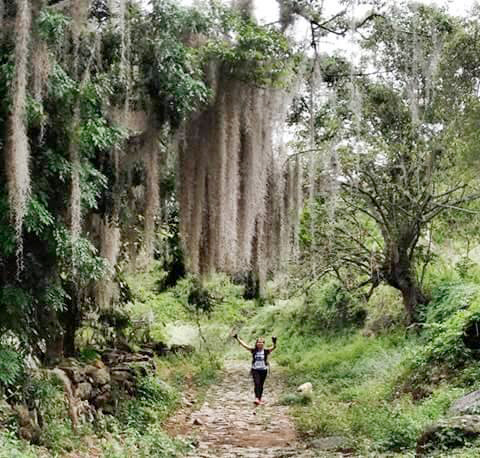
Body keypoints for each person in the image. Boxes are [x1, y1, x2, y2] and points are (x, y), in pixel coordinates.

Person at [233, 333, 277, 405]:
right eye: (258, 342)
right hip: (255, 369)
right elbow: (244, 345)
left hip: (263, 370)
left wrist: (274, 342)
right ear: (256, 343)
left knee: (261, 385)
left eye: (261, 342)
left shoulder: (266, 351)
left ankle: (259, 398)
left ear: (263, 344)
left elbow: (273, 347)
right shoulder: (253, 350)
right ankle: (256, 398)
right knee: (257, 383)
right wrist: (237, 338)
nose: (260, 343)